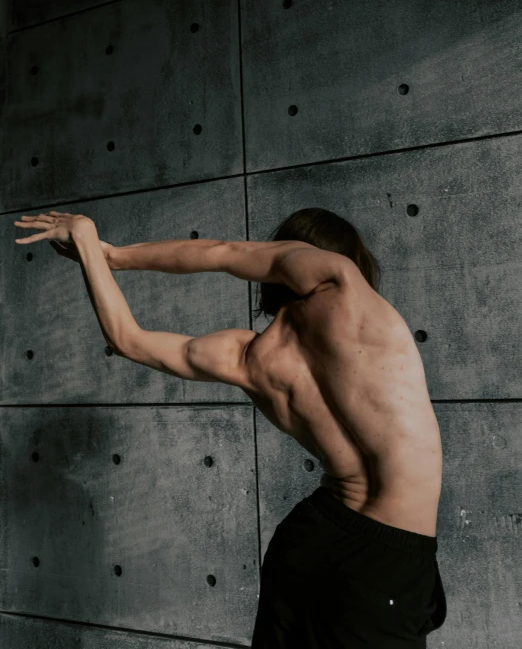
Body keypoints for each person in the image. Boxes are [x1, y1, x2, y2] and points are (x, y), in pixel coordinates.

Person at [14, 206, 447, 647]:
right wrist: (115, 255)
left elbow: (129, 337)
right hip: (386, 560)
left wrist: (95, 248)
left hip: (311, 541)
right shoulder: (342, 281)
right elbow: (227, 252)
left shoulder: (248, 358)